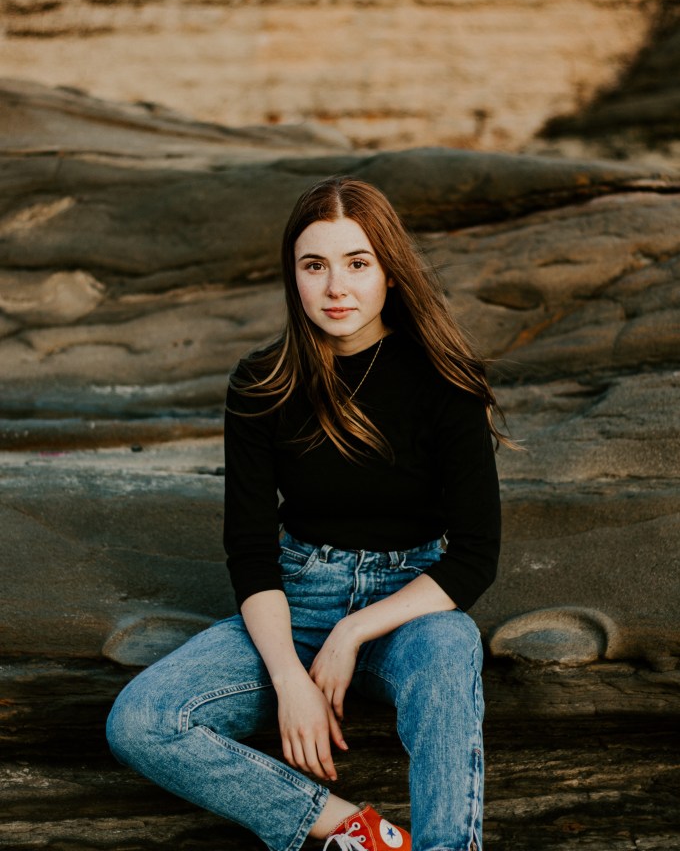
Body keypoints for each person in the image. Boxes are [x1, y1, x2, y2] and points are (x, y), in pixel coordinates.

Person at [107, 177, 504, 851]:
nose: (335, 288)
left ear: (388, 271)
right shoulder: (261, 383)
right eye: (313, 266)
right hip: (293, 599)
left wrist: (352, 633)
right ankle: (355, 832)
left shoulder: (442, 380)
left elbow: (473, 554)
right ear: (292, 277)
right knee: (141, 720)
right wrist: (290, 678)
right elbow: (251, 548)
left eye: (357, 263)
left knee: (451, 648)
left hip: (406, 608)